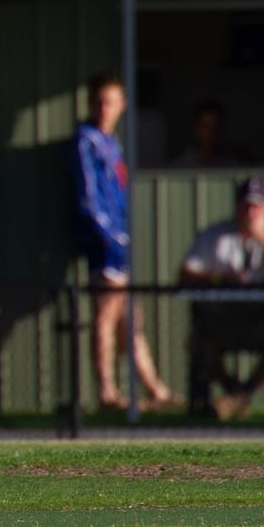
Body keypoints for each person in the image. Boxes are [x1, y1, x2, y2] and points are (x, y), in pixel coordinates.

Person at [71, 71, 175, 409]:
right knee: (106, 313)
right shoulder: (86, 141)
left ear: (122, 105)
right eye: (99, 102)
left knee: (130, 317)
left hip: (122, 242)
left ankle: (155, 389)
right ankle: (107, 392)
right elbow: (89, 198)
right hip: (105, 245)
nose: (105, 109)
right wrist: (110, 236)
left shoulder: (111, 142)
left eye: (111, 102)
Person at [178, 176, 264, 420]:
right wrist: (220, 277)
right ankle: (232, 391)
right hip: (222, 318)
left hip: (263, 319)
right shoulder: (215, 236)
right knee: (197, 342)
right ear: (236, 205)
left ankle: (243, 393)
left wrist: (263, 239)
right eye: (246, 205)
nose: (250, 212)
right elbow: (185, 274)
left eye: (257, 205)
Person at [170, 99, 243, 169]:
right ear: (197, 129)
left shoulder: (232, 167)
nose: (211, 132)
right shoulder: (180, 167)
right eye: (206, 126)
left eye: (216, 126)